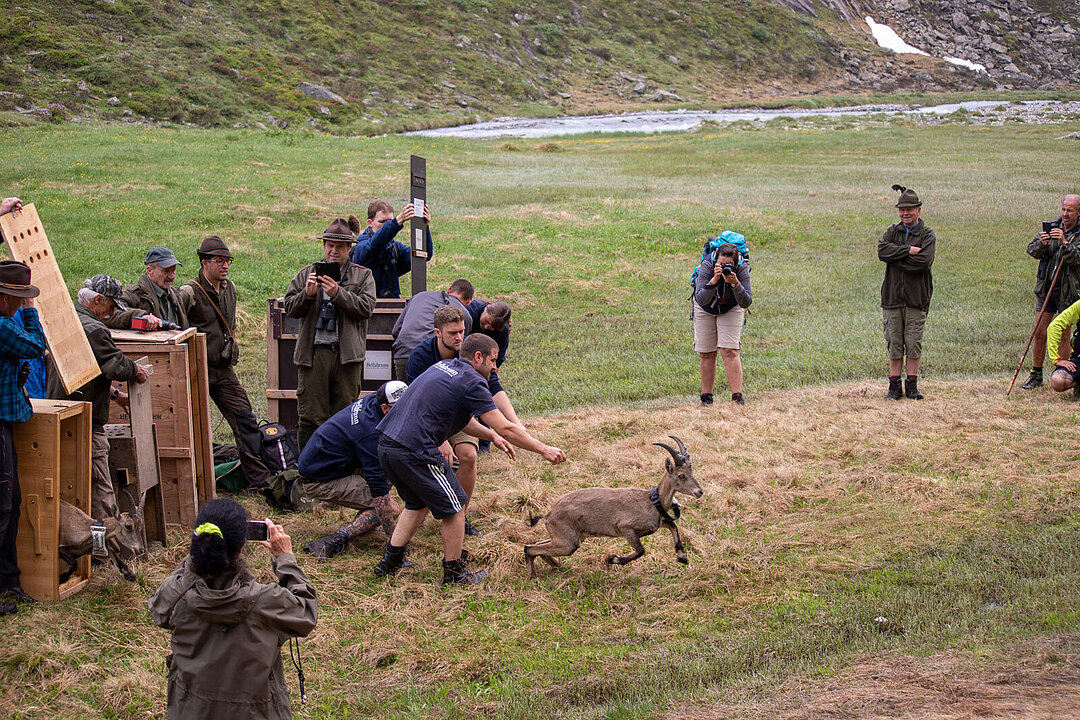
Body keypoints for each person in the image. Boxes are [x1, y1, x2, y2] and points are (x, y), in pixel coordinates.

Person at [373, 333, 566, 585]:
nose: (495, 367)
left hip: (387, 444)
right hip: (415, 450)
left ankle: (390, 562)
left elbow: (461, 418)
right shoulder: (472, 381)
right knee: (455, 507)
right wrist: (543, 449)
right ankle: (454, 574)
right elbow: (506, 427)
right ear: (478, 357)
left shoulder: (443, 367)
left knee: (417, 503)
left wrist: (491, 437)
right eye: (493, 360)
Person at [149, 498, 317, 720]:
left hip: (191, 712)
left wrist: (196, 557)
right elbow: (306, 612)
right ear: (241, 547)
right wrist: (285, 558)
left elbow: (158, 611)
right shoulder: (265, 601)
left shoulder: (176, 592)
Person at [407, 305, 524, 536]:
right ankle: (417, 510)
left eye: (461, 331)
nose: (459, 337)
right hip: (427, 420)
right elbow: (417, 404)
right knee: (430, 459)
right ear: (437, 333)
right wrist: (439, 441)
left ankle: (460, 515)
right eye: (453, 333)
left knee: (469, 455)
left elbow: (493, 388)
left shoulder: (469, 352)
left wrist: (516, 423)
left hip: (458, 416)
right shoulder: (419, 357)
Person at [51, 275, 149, 520]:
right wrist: (136, 370)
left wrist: (115, 395)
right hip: (85, 421)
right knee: (100, 487)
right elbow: (114, 363)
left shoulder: (68, 319)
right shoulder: (94, 329)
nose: (112, 312)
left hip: (63, 412)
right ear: (97, 300)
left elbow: (85, 372)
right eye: (111, 306)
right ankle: (105, 551)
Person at [177, 236, 271, 489]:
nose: (225, 265)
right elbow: (177, 329)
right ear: (204, 262)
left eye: (227, 261)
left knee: (245, 419)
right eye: (219, 261)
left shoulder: (229, 288)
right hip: (196, 369)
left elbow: (231, 324)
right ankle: (190, 482)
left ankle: (258, 482)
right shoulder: (189, 292)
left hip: (223, 368)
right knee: (189, 425)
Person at [284, 218, 377, 450]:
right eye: (329, 245)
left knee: (346, 416)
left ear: (349, 248)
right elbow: (289, 308)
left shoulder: (362, 276)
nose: (333, 251)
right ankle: (308, 471)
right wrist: (307, 294)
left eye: (339, 246)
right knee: (310, 417)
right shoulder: (307, 274)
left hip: (347, 358)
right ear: (324, 246)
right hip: (313, 355)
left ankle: (342, 468)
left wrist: (338, 294)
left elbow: (366, 309)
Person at [300, 380, 408, 560]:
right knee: (392, 509)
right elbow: (379, 490)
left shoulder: (375, 400)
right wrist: (394, 543)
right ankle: (338, 538)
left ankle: (365, 517)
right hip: (320, 479)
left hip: (337, 462)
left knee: (390, 467)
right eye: (401, 409)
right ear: (385, 408)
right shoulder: (370, 434)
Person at [0, 253, 45, 614]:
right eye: (17, 299)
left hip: (5, 423)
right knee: (2, 506)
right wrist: (31, 311)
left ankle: (10, 582)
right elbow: (35, 346)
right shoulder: (2, 325)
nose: (19, 304)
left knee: (10, 505)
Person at [878, 185, 935, 400]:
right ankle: (894, 387)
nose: (906, 213)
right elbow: (882, 251)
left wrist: (896, 259)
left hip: (916, 299)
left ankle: (911, 385)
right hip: (892, 298)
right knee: (894, 343)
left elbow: (923, 262)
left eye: (910, 209)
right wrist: (906, 251)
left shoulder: (927, 234)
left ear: (919, 210)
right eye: (902, 210)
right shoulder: (892, 231)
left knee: (913, 343)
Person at [1021, 194, 1080, 390]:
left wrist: (1065, 244)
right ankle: (1036, 375)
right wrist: (1043, 243)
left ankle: (1061, 373)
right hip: (1047, 288)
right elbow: (1032, 250)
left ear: (1078, 213)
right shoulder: (1053, 226)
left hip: (1069, 291)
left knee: (1063, 333)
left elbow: (1077, 259)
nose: (1065, 214)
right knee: (1039, 331)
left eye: (1070, 210)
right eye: (1063, 209)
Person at [693, 241, 752, 406]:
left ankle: (737, 398)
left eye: (729, 265)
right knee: (706, 352)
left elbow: (746, 301)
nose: (725, 267)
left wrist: (736, 283)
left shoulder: (741, 268)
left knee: (730, 351)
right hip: (705, 307)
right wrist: (714, 278)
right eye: (721, 264)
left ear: (735, 262)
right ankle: (706, 399)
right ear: (716, 260)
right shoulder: (707, 265)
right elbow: (701, 298)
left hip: (732, 307)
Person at [390, 278, 473, 381]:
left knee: (405, 394)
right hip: (434, 358)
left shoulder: (419, 296)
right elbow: (460, 346)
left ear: (449, 290)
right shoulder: (464, 313)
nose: (458, 336)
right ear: (469, 302)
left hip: (404, 351)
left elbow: (395, 331)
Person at [350, 199, 434, 298]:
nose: (386, 225)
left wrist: (423, 225)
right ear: (370, 222)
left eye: (389, 221)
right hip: (367, 310)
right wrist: (396, 222)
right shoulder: (361, 247)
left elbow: (423, 255)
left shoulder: (395, 248)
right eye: (382, 222)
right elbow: (375, 245)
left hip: (393, 309)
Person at [108, 247, 187, 331]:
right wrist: (141, 316)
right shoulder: (134, 293)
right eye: (166, 271)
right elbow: (110, 314)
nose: (171, 276)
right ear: (150, 270)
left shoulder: (176, 294)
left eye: (173, 271)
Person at [465, 299, 511, 368]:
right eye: (487, 321)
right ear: (487, 308)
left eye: (492, 327)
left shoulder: (502, 329)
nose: (486, 327)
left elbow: (499, 356)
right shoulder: (469, 312)